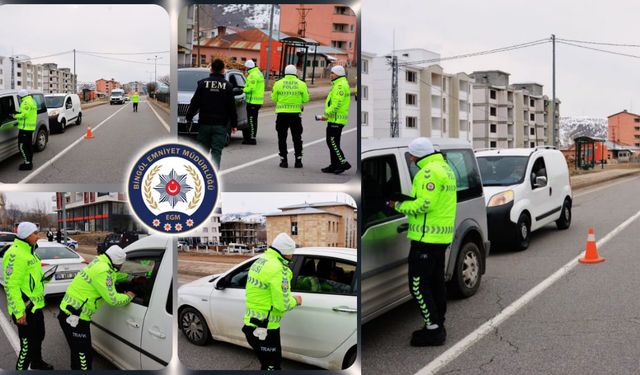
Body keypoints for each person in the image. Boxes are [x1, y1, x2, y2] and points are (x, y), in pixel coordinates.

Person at [387, 137, 457, 347]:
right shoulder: (445, 168)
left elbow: (425, 204)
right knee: (436, 283)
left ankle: (433, 330)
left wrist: (397, 205)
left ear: (415, 155)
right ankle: (438, 322)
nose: (409, 158)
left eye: (410, 155)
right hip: (440, 238)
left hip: (426, 239)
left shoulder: (428, 172)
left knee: (417, 286)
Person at [58, 245, 136, 370]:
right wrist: (129, 296)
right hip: (76, 318)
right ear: (116, 262)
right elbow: (114, 300)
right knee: (84, 358)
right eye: (121, 264)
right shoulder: (103, 271)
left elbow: (112, 276)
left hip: (69, 313)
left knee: (78, 354)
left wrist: (129, 277)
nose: (122, 266)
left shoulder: (100, 262)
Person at [242, 233, 302, 370]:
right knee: (272, 366)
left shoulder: (260, 261)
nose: (292, 256)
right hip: (266, 328)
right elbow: (283, 304)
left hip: (251, 323)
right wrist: (296, 300)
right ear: (286, 252)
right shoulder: (280, 270)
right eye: (291, 253)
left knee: (266, 364)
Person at [3, 222, 53, 370]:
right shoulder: (15, 254)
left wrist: (44, 279)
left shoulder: (30, 251)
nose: (38, 236)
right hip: (24, 309)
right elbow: (11, 286)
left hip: (36, 306)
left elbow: (30, 278)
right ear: (25, 235)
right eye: (35, 233)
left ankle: (37, 363)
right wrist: (19, 312)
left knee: (39, 337)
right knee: (27, 348)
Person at [186, 59, 238, 170]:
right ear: (223, 70)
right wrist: (234, 124)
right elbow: (232, 107)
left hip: (204, 123)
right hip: (220, 125)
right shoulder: (228, 86)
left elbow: (194, 103)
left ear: (211, 69)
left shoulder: (202, 84)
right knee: (216, 152)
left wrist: (189, 117)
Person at [271, 65, 309, 168]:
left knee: (282, 138)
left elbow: (273, 98)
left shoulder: (278, 83)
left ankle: (284, 161)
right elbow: (306, 99)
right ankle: (298, 161)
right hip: (295, 115)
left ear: (285, 72)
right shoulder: (301, 84)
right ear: (296, 73)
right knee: (297, 138)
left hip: (282, 115)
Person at [319, 65, 352, 174]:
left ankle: (343, 163)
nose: (330, 75)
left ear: (338, 74)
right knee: (333, 142)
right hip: (334, 119)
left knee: (332, 142)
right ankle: (334, 165)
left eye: (332, 73)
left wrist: (326, 114)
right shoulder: (339, 84)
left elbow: (336, 104)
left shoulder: (340, 86)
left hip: (336, 119)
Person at [13, 90, 37, 171]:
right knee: (28, 145)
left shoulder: (25, 102)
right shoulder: (32, 101)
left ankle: (27, 164)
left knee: (22, 146)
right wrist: (18, 112)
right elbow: (28, 113)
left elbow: (24, 115)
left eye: (19, 97)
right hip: (30, 128)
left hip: (25, 128)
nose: (19, 98)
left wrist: (14, 115)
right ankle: (29, 161)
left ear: (21, 96)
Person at [242, 60, 264, 145]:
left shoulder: (253, 75)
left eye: (246, 68)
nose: (245, 69)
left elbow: (251, 88)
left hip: (253, 101)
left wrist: (242, 89)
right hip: (257, 101)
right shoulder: (258, 73)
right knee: (254, 120)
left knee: (251, 120)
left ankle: (251, 139)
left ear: (248, 67)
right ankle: (251, 137)